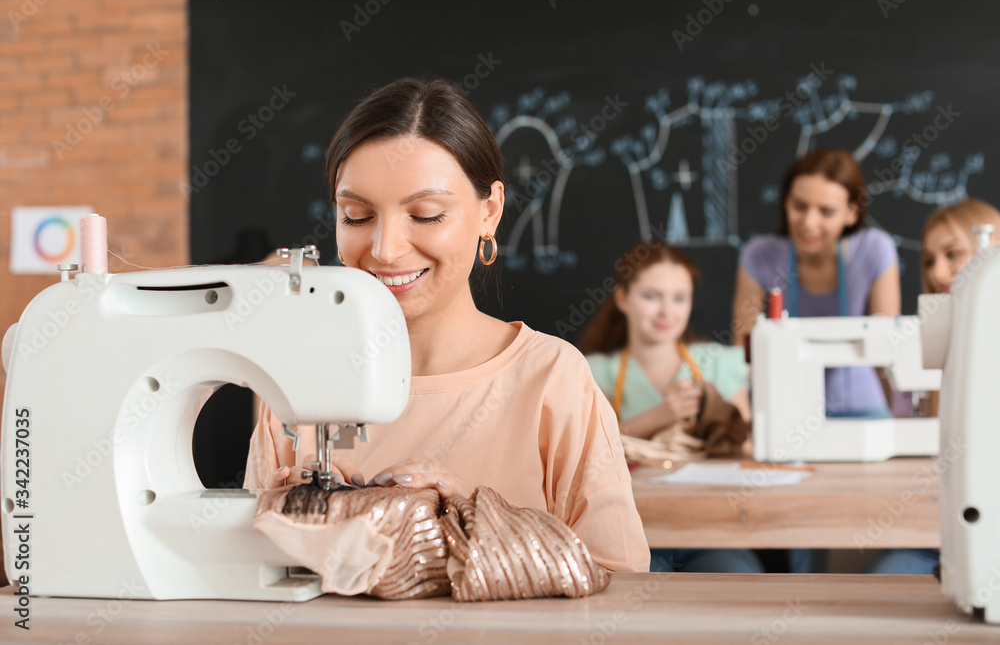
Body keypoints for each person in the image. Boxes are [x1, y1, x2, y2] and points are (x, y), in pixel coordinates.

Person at [243, 77, 650, 573]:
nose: (385, 248)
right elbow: (250, 580)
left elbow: (620, 577)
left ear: (490, 212)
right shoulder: (293, 385)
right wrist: (283, 530)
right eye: (356, 215)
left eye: (427, 215)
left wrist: (480, 521)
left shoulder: (553, 380)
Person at [580, 241, 762, 573]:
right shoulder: (593, 370)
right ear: (623, 299)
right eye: (651, 297)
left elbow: (748, 452)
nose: (666, 312)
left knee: (739, 580)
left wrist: (737, 433)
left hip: (711, 530)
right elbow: (589, 452)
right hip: (632, 531)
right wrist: (662, 414)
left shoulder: (719, 363)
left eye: (679, 298)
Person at [864, 198, 1000, 576]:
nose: (939, 272)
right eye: (928, 260)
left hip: (988, 534)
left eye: (953, 255)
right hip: (928, 537)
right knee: (882, 587)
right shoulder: (926, 346)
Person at [732, 148, 901, 418]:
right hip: (785, 410)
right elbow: (743, 354)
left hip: (863, 410)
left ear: (851, 214)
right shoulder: (759, 256)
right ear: (786, 202)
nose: (809, 223)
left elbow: (886, 349)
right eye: (799, 206)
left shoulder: (875, 250)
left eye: (826, 211)